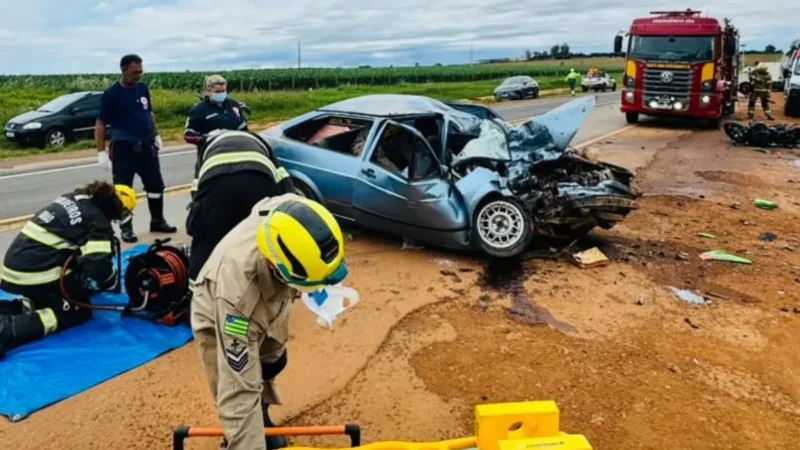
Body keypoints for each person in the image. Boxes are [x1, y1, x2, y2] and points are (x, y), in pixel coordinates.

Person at [190, 193, 349, 450]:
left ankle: (261, 415)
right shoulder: (237, 304)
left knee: (274, 358)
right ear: (279, 270)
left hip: (274, 293)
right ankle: (242, 437)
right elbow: (238, 391)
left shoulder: (294, 213)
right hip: (217, 305)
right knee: (239, 384)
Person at [0, 182, 138, 358]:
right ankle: (6, 331)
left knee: (52, 299)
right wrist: (111, 281)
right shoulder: (97, 222)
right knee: (75, 312)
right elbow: (97, 266)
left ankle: (24, 306)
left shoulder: (73, 198)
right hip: (35, 274)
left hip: (16, 266)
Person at [186, 129, 294, 283]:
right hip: (259, 179)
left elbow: (196, 192)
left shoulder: (206, 146)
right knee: (261, 241)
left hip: (217, 183)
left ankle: (196, 289)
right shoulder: (258, 140)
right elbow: (283, 180)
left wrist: (202, 222)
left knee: (206, 242)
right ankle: (267, 284)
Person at [94, 53, 177, 244]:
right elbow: (100, 124)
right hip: (124, 149)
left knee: (156, 186)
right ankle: (126, 228)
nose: (138, 76)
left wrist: (156, 134)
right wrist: (101, 152)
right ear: (124, 70)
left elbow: (149, 113)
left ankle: (157, 220)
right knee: (124, 191)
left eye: (141, 72)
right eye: (134, 72)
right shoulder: (112, 94)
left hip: (146, 146)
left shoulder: (142, 88)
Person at [184, 74, 249, 145]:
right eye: (217, 92)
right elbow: (188, 135)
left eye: (223, 91)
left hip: (236, 148)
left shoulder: (234, 105)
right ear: (208, 91)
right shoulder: (198, 110)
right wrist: (204, 139)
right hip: (214, 150)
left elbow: (243, 127)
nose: (221, 94)